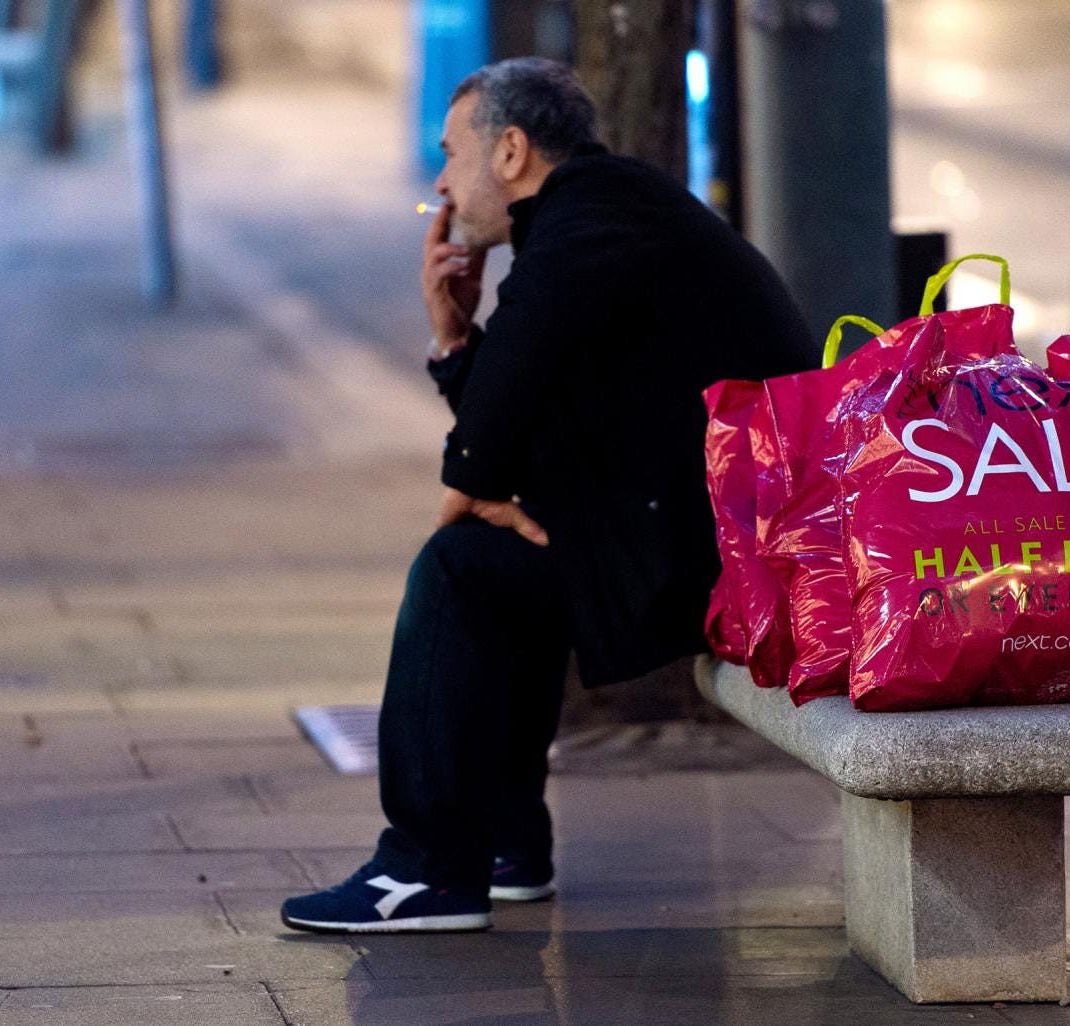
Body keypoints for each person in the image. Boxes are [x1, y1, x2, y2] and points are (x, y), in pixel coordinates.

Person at [281, 57, 815, 933]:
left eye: (452, 154)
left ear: (512, 151)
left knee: (462, 568)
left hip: (734, 554)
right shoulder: (593, 219)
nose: (441, 182)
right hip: (703, 531)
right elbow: (525, 413)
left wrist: (466, 490)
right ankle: (501, 846)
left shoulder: (591, 217)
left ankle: (424, 869)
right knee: (508, 564)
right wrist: (455, 340)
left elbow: (513, 395)